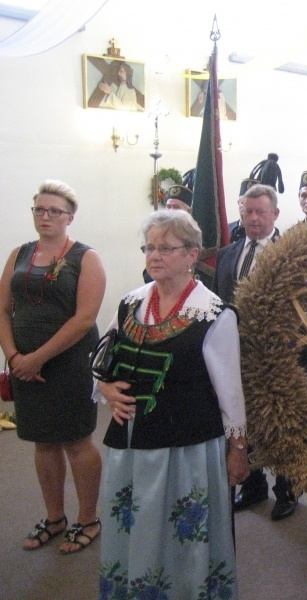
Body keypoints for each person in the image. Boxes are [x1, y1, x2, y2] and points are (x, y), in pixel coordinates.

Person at [96, 210, 249, 598]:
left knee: (180, 528)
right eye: (149, 247)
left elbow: (230, 391)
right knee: (138, 523)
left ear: (192, 254)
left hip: (188, 447)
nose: (154, 255)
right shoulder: (130, 303)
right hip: (132, 440)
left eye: (166, 247)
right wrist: (108, 390)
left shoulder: (214, 313)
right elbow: (103, 361)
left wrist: (237, 449)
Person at [0, 180, 106, 554]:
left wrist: (36, 358)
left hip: (69, 363)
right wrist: (14, 357)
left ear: (69, 217)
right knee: (43, 441)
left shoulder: (85, 257)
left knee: (77, 440)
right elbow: (3, 310)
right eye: (39, 210)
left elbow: (84, 319)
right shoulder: (19, 254)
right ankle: (55, 516)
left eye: (54, 211)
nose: (46, 216)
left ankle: (89, 518)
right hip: (25, 365)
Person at [212, 184, 297, 520]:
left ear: (275, 214)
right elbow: (219, 302)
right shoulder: (227, 254)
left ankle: (286, 490)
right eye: (247, 211)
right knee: (240, 416)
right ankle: (254, 484)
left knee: (279, 422)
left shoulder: (289, 253)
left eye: (260, 211)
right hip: (235, 350)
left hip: (276, 352)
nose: (253, 218)